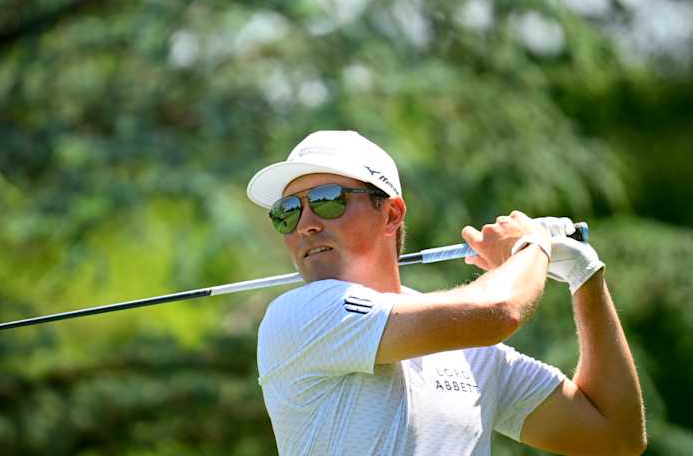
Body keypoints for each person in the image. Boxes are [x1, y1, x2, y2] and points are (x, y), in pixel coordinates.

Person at [246, 130, 646, 455]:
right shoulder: (299, 314)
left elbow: (615, 437)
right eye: (288, 211)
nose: (306, 224)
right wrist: (533, 246)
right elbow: (501, 310)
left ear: (390, 214)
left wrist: (585, 275)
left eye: (327, 200)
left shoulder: (470, 352)